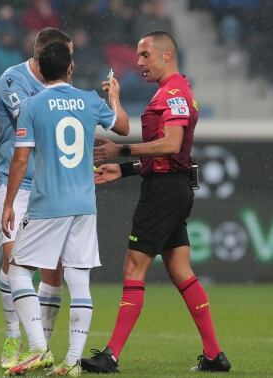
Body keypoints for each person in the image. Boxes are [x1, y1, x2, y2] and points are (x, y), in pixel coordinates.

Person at [81, 30, 231, 374]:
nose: (139, 62)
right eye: (138, 55)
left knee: (133, 268)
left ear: (166, 55)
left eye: (145, 55)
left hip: (164, 192)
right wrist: (126, 170)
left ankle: (111, 355)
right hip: (171, 186)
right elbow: (168, 154)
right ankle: (214, 355)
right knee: (180, 271)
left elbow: (172, 143)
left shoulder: (174, 91)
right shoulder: (171, 92)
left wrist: (123, 150)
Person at [1, 40, 129, 376]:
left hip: (48, 203)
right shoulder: (89, 101)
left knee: (17, 269)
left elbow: (21, 158)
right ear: (70, 68)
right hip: (85, 204)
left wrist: (10, 203)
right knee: (79, 279)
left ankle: (39, 348)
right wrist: (113, 96)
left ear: (41, 70)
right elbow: (124, 127)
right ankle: (72, 361)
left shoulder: (33, 104)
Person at [0, 27, 73, 369]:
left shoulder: (63, 87)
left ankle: (38, 347)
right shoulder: (13, 80)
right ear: (45, 53)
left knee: (53, 272)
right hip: (17, 184)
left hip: (51, 188)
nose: (71, 63)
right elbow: (36, 128)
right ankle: (16, 337)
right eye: (65, 55)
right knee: (15, 264)